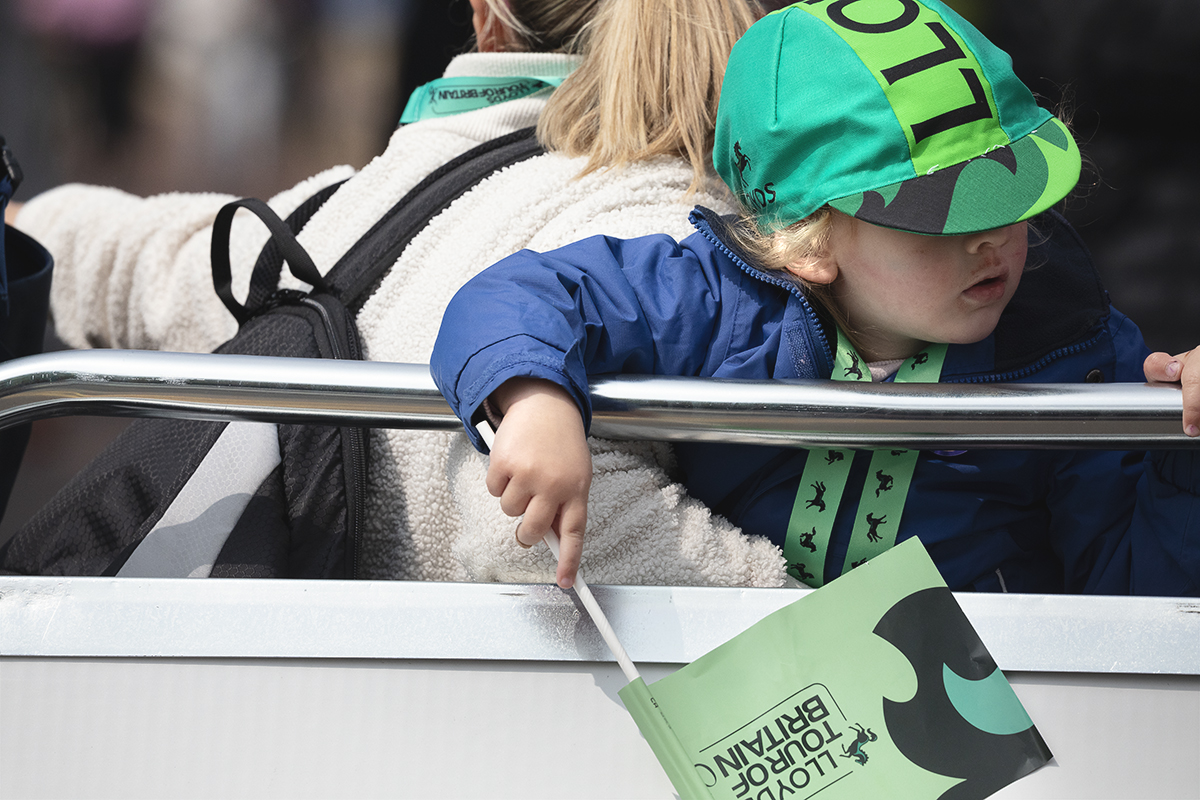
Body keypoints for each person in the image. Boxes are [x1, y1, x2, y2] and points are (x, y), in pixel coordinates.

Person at [3, 0, 792, 587]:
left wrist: (24, 218)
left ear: (489, 21)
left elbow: (144, 259)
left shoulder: (348, 208)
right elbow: (534, 531)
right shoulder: (710, 236)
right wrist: (807, 621)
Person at [432, 0, 1200, 595]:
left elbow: (1132, 583)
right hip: (740, 712)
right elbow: (517, 294)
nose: (990, 240)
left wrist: (1186, 459)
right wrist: (533, 402)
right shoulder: (713, 299)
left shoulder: (1077, 352)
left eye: (1008, 197)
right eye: (939, 216)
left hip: (989, 722)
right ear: (809, 241)